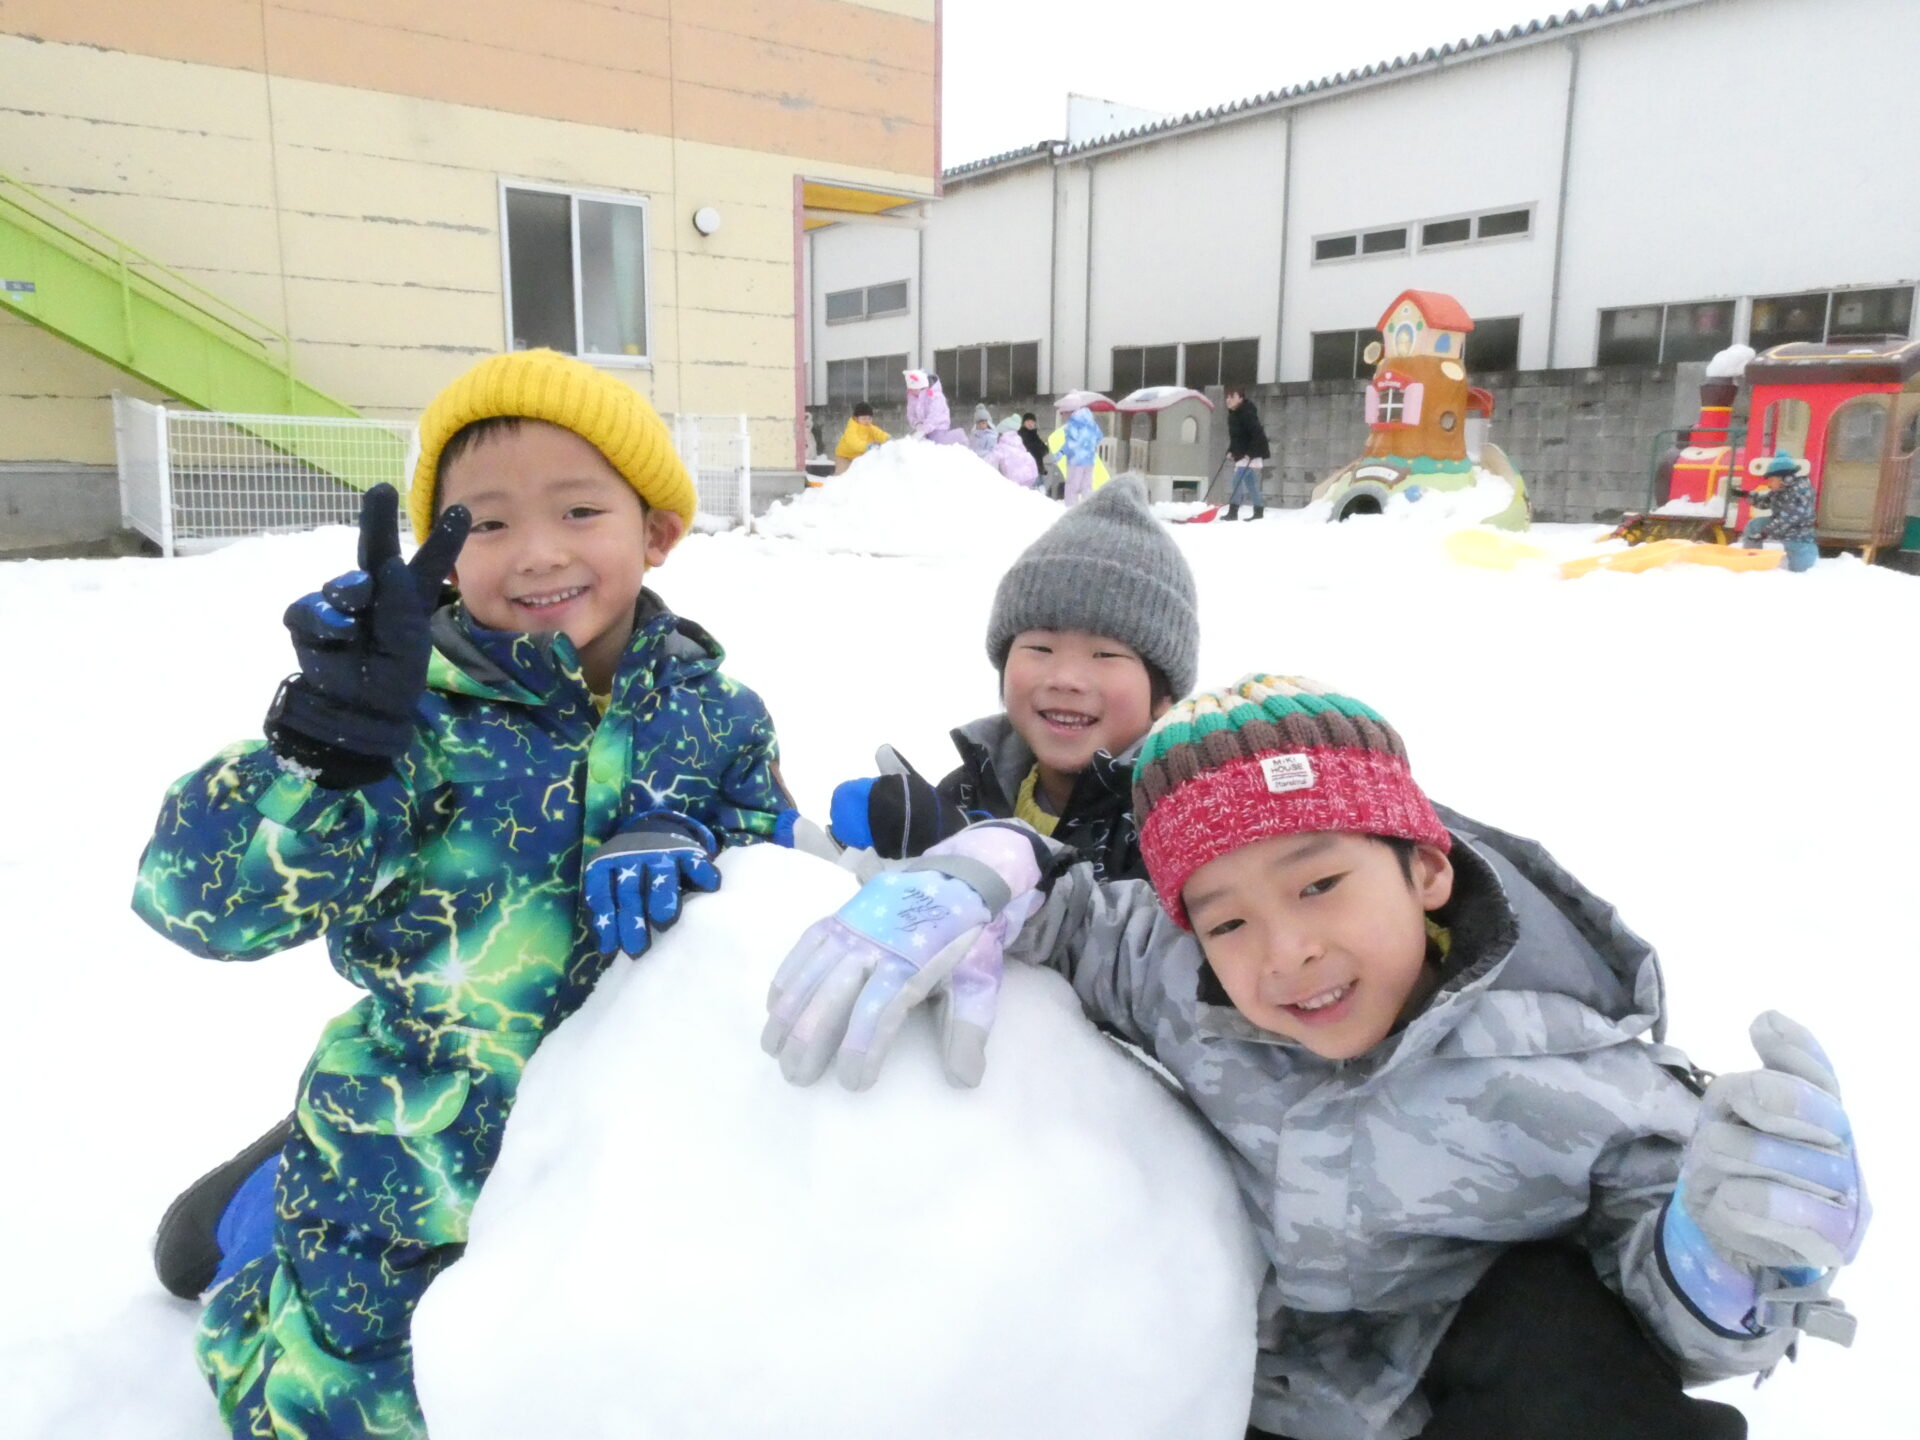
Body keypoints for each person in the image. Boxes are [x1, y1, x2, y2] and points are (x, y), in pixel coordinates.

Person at [762, 675, 1869, 1440]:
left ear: (1425, 871)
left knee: (1560, 1337)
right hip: (1256, 1387)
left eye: (1321, 884)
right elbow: (1075, 912)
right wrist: (984, 868)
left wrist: (1724, 1259)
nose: (1285, 950)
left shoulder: (1571, 1062)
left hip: (1478, 1385)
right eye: (1228, 919)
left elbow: (1671, 1317)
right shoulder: (1184, 976)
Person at [134, 349, 792, 1440]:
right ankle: (262, 1224)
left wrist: (701, 834)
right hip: (417, 1138)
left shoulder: (718, 715)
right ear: (441, 557)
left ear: (658, 532)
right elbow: (200, 903)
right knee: (352, 1414)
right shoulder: (412, 722)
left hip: (629, 1140)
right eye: (486, 523)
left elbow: (772, 881)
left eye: (578, 510)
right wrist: (318, 757)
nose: (536, 552)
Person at [823, 476, 1195, 884]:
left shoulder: (1180, 816)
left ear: (1164, 693)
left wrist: (975, 859)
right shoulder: (973, 788)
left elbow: (1138, 923)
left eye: (1104, 654)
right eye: (1041, 648)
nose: (1065, 678)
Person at [1737, 450, 1818, 571]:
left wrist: (1765, 533)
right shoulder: (1780, 489)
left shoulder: (1799, 492)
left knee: (1800, 569)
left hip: (1798, 533)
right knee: (1754, 525)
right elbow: (1765, 502)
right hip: (1780, 526)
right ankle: (1751, 559)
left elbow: (1787, 520)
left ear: (1784, 478)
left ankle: (1809, 552)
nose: (1769, 484)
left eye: (1771, 480)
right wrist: (1745, 495)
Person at [1223, 385, 1271, 520]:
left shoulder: (1246, 413)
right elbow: (1237, 437)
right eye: (1227, 397)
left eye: (1232, 397)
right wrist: (1231, 450)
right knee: (1251, 483)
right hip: (1243, 453)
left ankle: (1233, 512)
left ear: (1240, 398)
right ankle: (1258, 511)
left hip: (1250, 453)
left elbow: (1258, 434)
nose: (1228, 399)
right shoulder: (1234, 414)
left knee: (1236, 480)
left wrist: (1251, 453)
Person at [1058, 400, 1104, 506]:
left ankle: (1071, 509)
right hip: (1089, 460)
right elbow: (1099, 436)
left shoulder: (1072, 424)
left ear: (1069, 411)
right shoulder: (1091, 422)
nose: (1064, 416)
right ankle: (1088, 508)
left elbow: (1070, 444)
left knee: (1072, 487)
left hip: (1075, 460)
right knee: (1087, 487)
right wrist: (1088, 447)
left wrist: (1060, 453)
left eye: (1063, 413)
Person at [904, 368, 963, 444]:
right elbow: (911, 414)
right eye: (911, 389)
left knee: (938, 441)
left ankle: (958, 436)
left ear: (923, 387)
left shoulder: (935, 396)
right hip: (923, 427)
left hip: (938, 426)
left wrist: (924, 429)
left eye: (915, 389)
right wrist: (917, 424)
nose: (913, 392)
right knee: (915, 442)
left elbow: (934, 415)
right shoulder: (912, 397)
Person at [832, 401, 890, 473]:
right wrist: (868, 446)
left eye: (869, 418)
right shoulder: (851, 428)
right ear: (856, 418)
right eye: (864, 418)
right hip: (845, 457)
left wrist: (888, 439)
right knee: (843, 475)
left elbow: (879, 434)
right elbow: (854, 443)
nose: (867, 421)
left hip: (859, 457)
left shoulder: (870, 427)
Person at [1018, 411, 1051, 476]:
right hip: (1027, 470)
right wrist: (1039, 451)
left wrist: (1040, 451)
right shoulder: (1021, 435)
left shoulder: (1034, 435)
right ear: (1023, 423)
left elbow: (1045, 449)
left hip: (1037, 469)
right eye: (1028, 421)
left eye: (1032, 422)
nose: (1030, 424)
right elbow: (1030, 451)